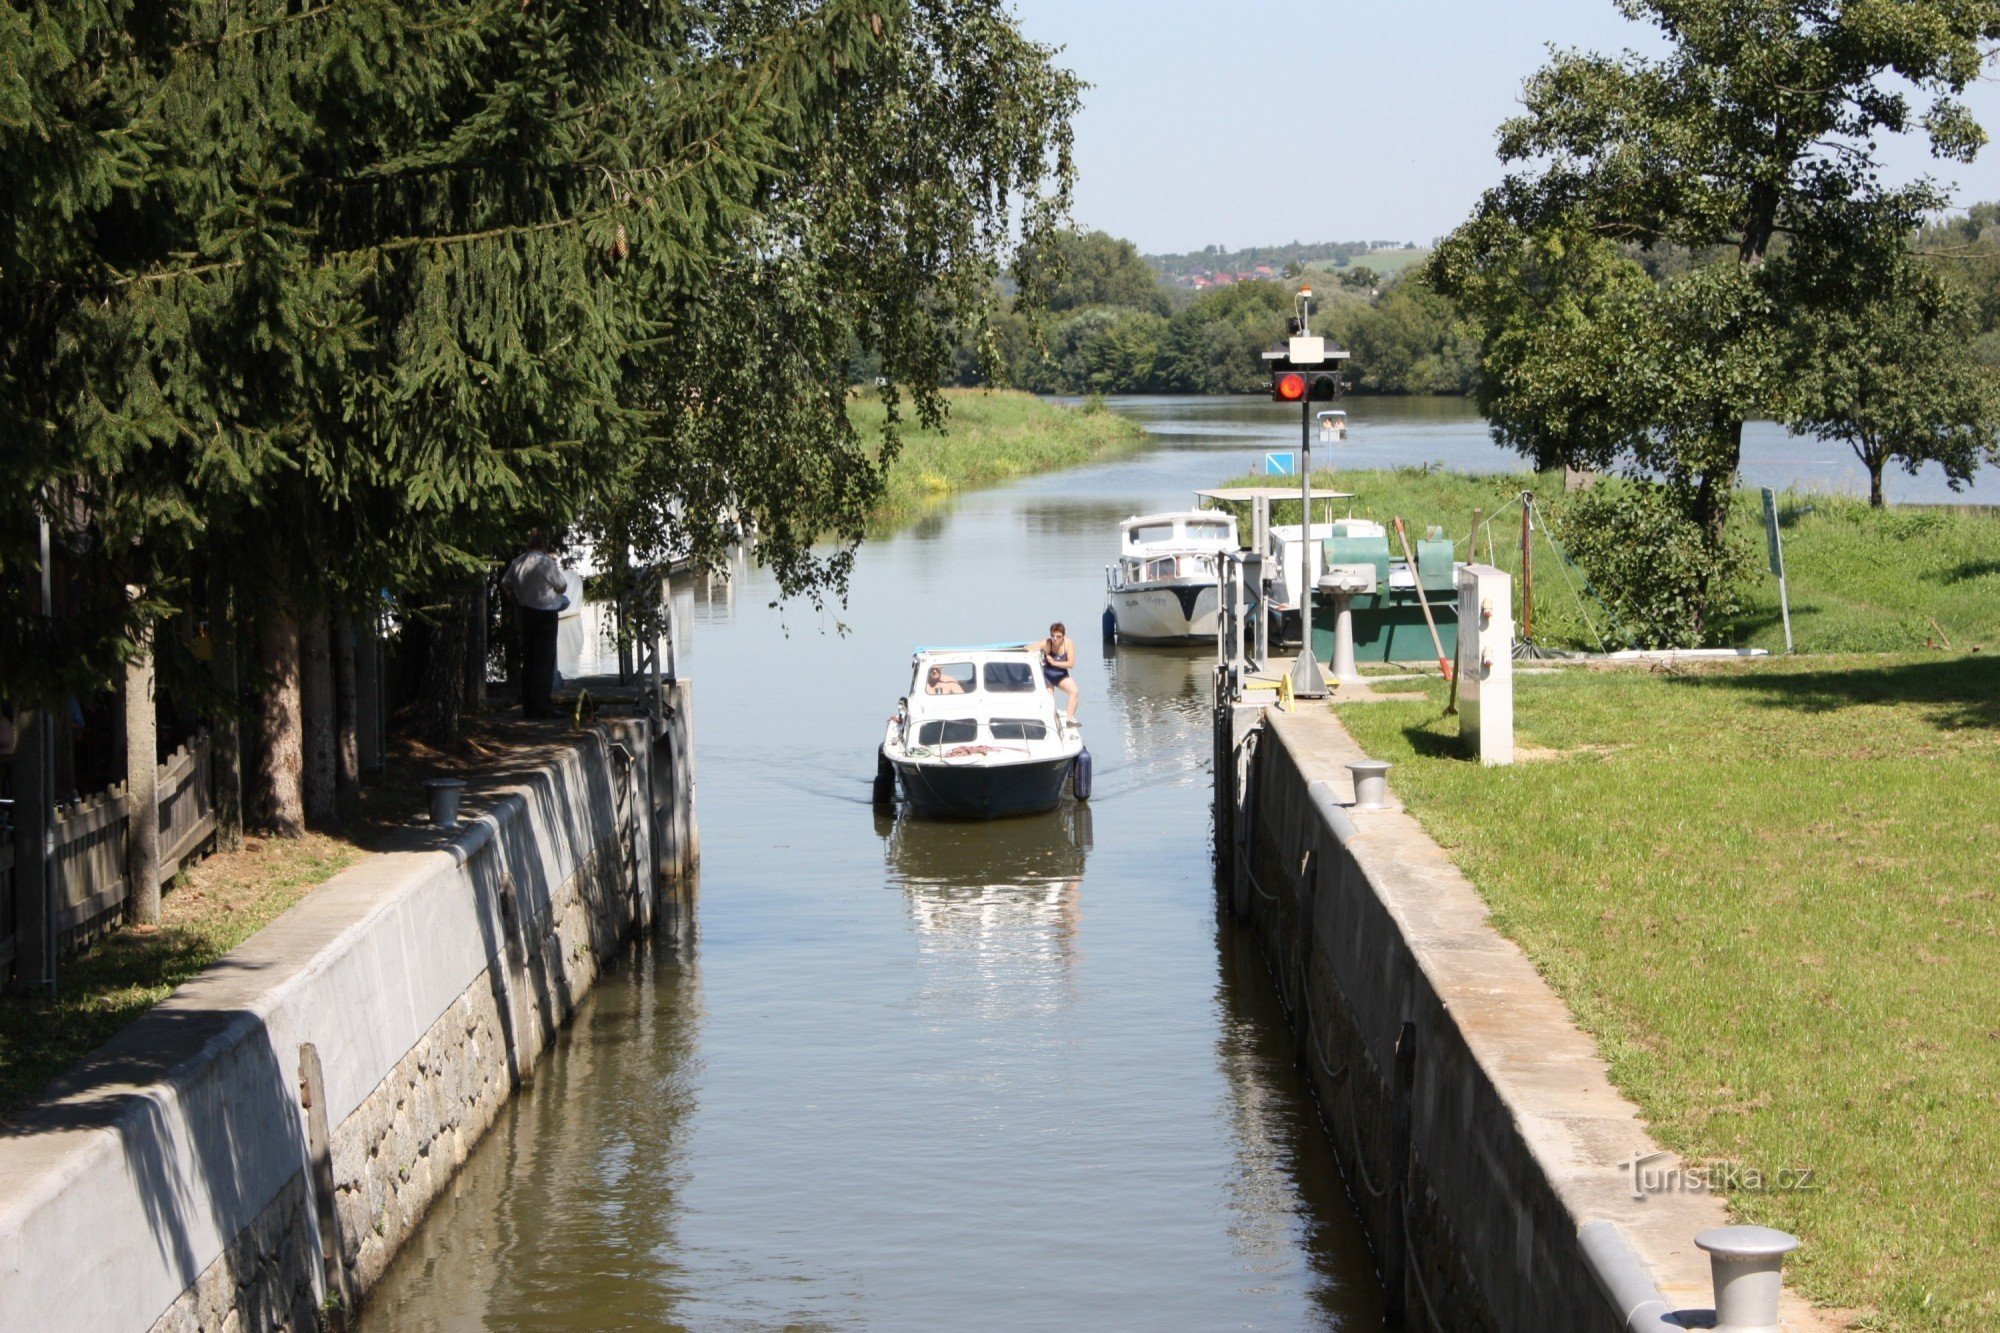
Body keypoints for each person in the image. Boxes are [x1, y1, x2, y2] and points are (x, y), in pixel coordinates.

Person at [501, 531, 570, 719]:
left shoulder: (519, 561)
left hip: (526, 613)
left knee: (529, 660)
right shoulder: (545, 563)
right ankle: (544, 707)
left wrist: (515, 598)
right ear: (544, 544)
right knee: (545, 661)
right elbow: (562, 586)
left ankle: (529, 707)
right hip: (546, 614)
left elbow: (505, 583)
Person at [1024, 622, 1078, 720]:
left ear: (1063, 636)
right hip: (1047, 676)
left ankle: (1069, 719)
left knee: (1074, 692)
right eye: (1053, 636)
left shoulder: (1068, 643)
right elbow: (1027, 648)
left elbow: (1071, 664)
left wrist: (1054, 663)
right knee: (1050, 699)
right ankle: (1051, 720)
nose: (1055, 639)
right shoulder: (1047, 643)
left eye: (1058, 636)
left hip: (1061, 675)